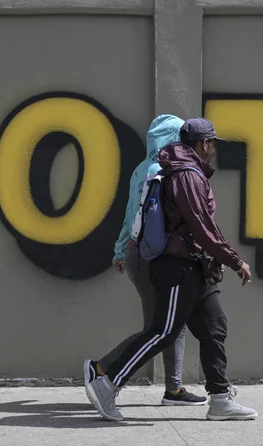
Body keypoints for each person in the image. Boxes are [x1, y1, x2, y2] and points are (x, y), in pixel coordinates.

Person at [84, 117, 258, 422]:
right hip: (179, 266)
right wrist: (233, 260)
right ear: (204, 144)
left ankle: (219, 398)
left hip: (198, 266)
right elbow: (201, 227)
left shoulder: (183, 171)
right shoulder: (186, 176)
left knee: (214, 327)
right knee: (162, 332)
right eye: (213, 143)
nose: (214, 149)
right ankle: (107, 382)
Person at [83, 115, 206, 407]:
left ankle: (173, 389)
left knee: (166, 325)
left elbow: (130, 216)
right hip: (152, 257)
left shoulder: (142, 168)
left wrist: (118, 250)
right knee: (162, 327)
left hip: (137, 255)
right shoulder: (162, 171)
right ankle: (101, 369)